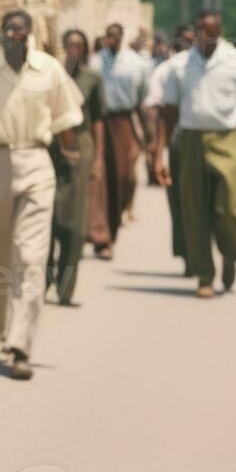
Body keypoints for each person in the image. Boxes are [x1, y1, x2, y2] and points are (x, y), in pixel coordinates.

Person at [0, 10, 82, 380]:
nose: (16, 37)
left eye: (22, 32)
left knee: (30, 255)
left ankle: (20, 345)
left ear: (31, 35)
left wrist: (74, 162)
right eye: (9, 32)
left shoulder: (48, 69)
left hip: (35, 160)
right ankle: (6, 331)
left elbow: (65, 120)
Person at [153, 10, 236, 298]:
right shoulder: (180, 65)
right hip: (192, 141)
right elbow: (169, 112)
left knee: (227, 209)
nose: (204, 37)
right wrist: (157, 153)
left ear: (220, 31)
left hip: (227, 140)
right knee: (195, 210)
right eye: (200, 31)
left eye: (210, 31)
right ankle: (205, 275)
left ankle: (230, 253)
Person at [48, 29, 104, 307]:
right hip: (51, 143)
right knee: (47, 217)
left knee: (74, 221)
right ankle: (44, 279)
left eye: (80, 45)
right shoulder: (49, 74)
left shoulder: (92, 79)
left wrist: (98, 159)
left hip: (80, 143)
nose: (74, 50)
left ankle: (66, 288)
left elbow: (97, 121)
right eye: (69, 44)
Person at [89, 23, 148, 258]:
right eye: (108, 36)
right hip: (98, 121)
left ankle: (114, 224)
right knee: (100, 179)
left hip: (123, 122)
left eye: (115, 36)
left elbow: (142, 98)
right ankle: (102, 237)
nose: (111, 40)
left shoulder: (135, 64)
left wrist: (146, 136)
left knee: (122, 178)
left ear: (122, 37)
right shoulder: (95, 62)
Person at [144, 24, 195, 275]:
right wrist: (156, 147)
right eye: (183, 41)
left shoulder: (206, 69)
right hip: (176, 141)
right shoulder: (167, 71)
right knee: (179, 201)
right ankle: (187, 254)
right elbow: (155, 108)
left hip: (202, 139)